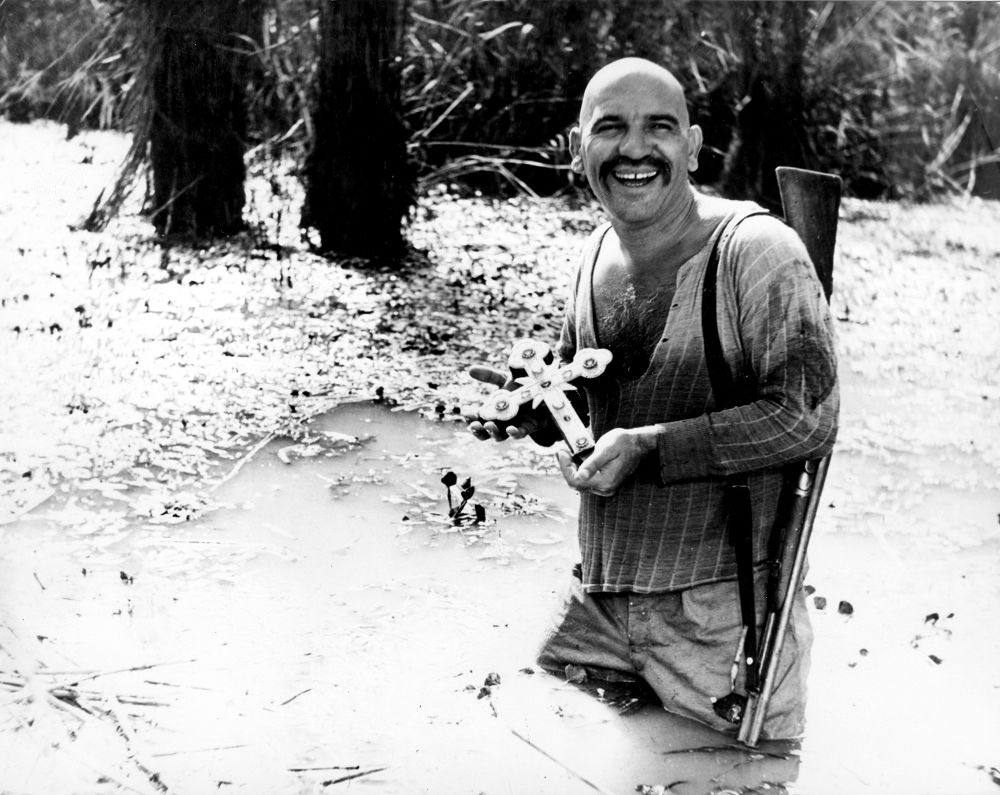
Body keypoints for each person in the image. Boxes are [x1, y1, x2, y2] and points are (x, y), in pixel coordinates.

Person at [466, 57, 838, 740]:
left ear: (692, 147)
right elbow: (592, 405)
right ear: (578, 149)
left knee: (735, 779)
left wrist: (653, 447)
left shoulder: (756, 250)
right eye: (610, 127)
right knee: (532, 744)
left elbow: (807, 417)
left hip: (723, 620)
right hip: (599, 598)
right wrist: (538, 415)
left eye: (658, 128)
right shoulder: (593, 252)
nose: (634, 149)